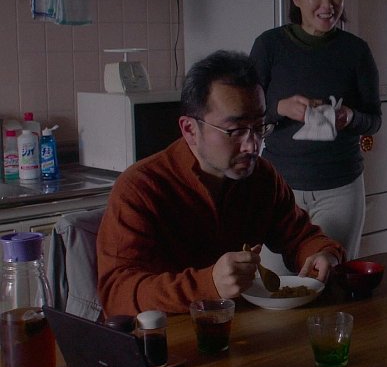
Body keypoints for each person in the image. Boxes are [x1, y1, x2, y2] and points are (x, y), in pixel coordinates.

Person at [97, 50, 345, 316]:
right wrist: (208, 284)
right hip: (165, 335)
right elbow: (117, 295)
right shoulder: (140, 188)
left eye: (259, 127)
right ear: (190, 130)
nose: (252, 146)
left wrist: (325, 254)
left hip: (234, 327)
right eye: (235, 131)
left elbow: (300, 236)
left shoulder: (261, 177)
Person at [250, 0, 381, 261]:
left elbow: (374, 120)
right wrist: (280, 108)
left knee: (330, 276)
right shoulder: (269, 46)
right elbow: (246, 115)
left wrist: (350, 117)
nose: (328, 3)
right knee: (276, 282)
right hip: (279, 189)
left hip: (340, 189)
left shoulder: (356, 51)